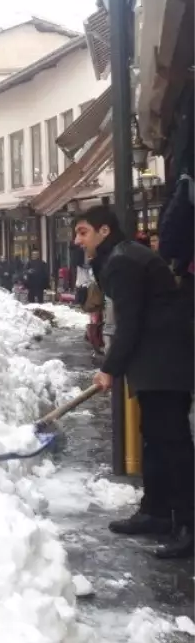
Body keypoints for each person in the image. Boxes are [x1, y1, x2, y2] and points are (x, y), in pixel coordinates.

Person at [73, 204, 195, 559]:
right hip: (156, 360)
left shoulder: (124, 261)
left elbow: (131, 321)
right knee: (155, 439)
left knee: (173, 444)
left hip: (165, 362)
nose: (78, 240)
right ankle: (156, 512)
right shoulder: (120, 257)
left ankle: (188, 523)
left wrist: (110, 367)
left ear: (104, 231)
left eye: (83, 232)